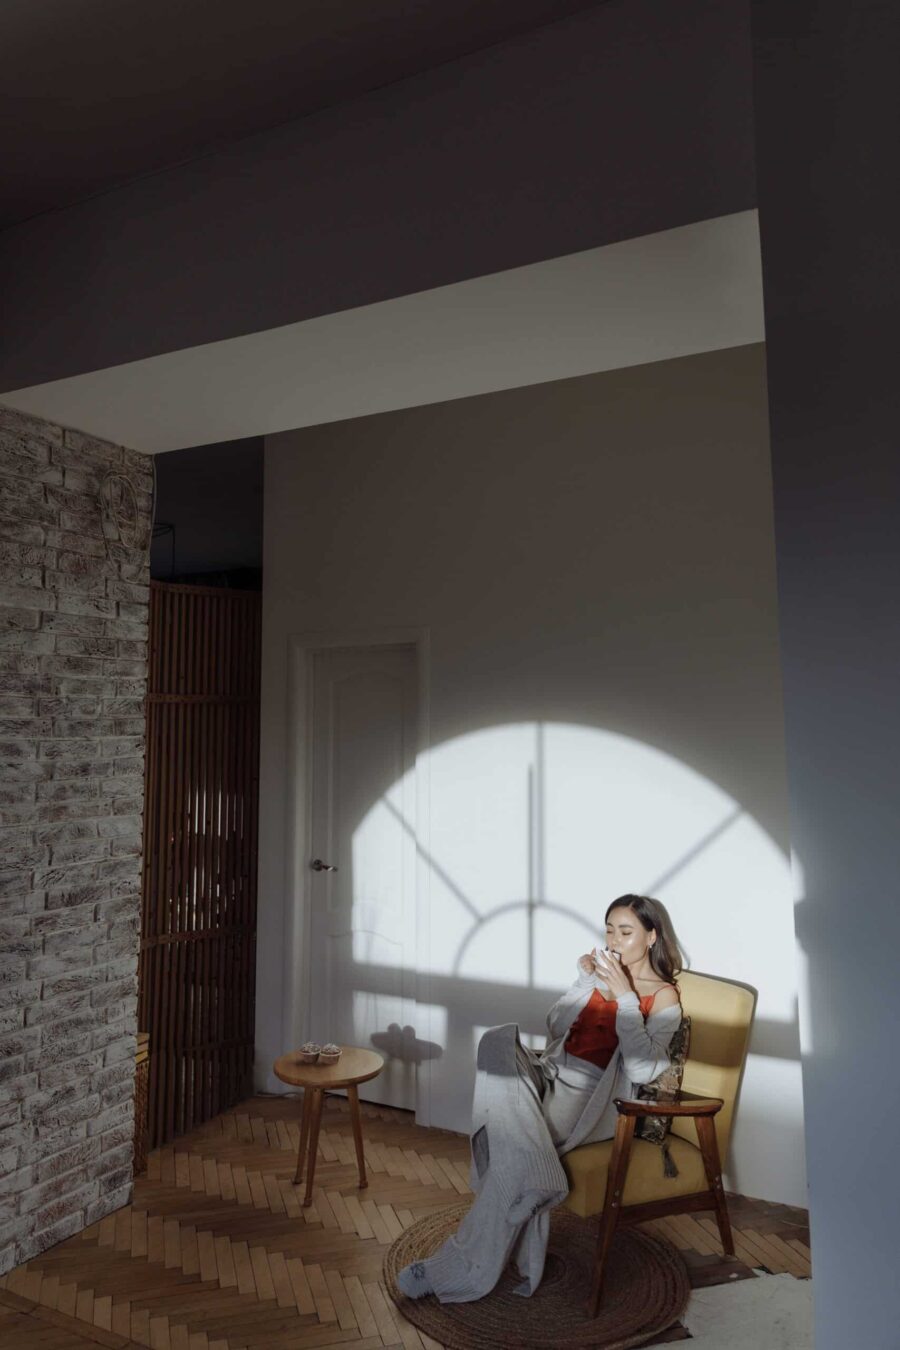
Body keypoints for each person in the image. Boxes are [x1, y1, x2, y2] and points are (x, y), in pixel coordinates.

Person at [396, 893, 685, 1303]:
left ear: (652, 937)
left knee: (510, 1163)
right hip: (550, 1069)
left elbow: (642, 1069)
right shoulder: (601, 976)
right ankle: (540, 1174)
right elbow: (554, 1028)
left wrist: (624, 998)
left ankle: (445, 1271)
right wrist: (585, 983)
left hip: (587, 1094)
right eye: (609, 930)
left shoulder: (665, 996)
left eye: (626, 931)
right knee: (496, 1041)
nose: (615, 940)